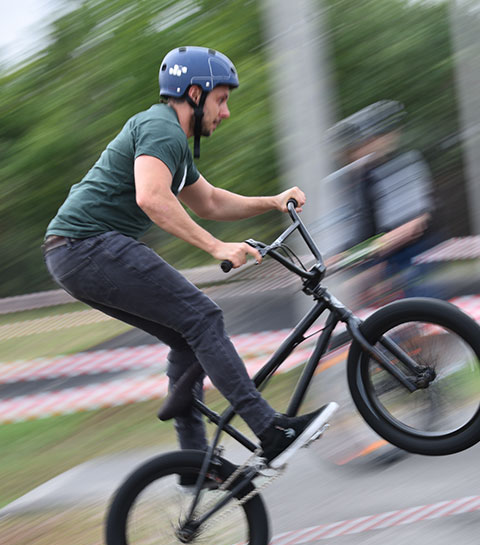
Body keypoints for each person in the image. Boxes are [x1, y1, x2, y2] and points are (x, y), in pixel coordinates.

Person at [42, 46, 336, 466]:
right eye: (222, 99)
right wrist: (216, 247)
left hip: (75, 254)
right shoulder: (161, 128)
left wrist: (272, 202)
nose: (227, 112)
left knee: (187, 334)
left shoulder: (171, 141)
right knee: (203, 318)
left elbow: (211, 202)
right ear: (194, 94)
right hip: (87, 246)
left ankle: (194, 462)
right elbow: (151, 196)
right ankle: (270, 432)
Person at [319, 100, 438, 307]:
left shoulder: (401, 165)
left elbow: (413, 225)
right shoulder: (355, 177)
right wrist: (332, 262)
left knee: (416, 318)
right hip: (377, 262)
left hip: (407, 259)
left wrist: (365, 257)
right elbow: (352, 229)